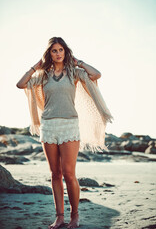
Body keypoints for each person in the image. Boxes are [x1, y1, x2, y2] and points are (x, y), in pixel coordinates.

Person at [16, 37, 113, 229]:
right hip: (49, 126)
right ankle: (59, 217)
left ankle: (74, 216)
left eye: (61, 50)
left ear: (66, 52)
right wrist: (34, 67)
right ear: (49, 54)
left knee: (69, 173)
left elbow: (97, 74)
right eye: (54, 50)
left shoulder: (74, 73)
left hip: (69, 125)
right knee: (55, 174)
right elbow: (20, 84)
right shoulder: (43, 76)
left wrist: (79, 62)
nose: (58, 53)